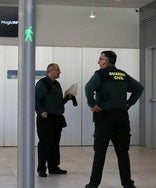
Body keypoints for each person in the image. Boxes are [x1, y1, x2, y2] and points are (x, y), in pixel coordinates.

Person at [84, 51, 144, 188]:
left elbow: (88, 88)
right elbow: (139, 88)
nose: (98, 61)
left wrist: (92, 104)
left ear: (107, 61)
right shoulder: (123, 75)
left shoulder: (100, 74)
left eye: (100, 59)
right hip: (122, 118)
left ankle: (93, 185)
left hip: (104, 118)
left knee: (100, 153)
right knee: (123, 153)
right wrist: (129, 103)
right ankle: (128, 184)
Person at [35, 63, 77, 177]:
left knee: (54, 144)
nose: (60, 72)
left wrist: (66, 98)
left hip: (57, 118)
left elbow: (58, 101)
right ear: (50, 71)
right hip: (46, 118)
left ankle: (53, 167)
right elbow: (35, 99)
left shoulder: (57, 84)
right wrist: (40, 111)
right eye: (58, 70)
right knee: (45, 144)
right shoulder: (42, 84)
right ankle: (41, 169)